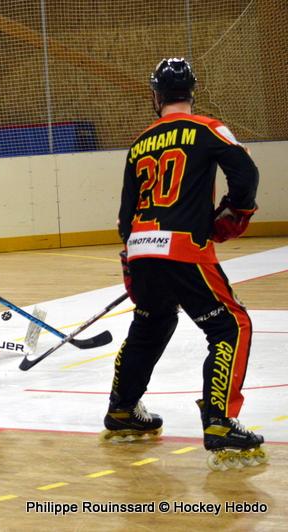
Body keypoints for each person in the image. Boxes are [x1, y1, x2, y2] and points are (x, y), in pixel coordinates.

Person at [104, 57, 265, 470]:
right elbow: (244, 173)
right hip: (183, 249)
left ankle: (123, 409)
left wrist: (131, 257)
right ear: (193, 92)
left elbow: (125, 215)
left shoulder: (139, 143)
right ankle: (219, 421)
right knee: (230, 325)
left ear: (155, 96)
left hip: (141, 248)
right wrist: (234, 214)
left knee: (152, 320)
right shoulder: (208, 129)